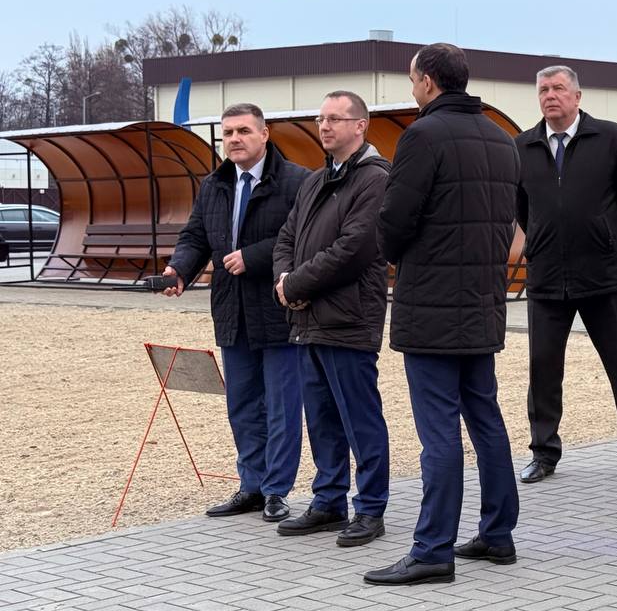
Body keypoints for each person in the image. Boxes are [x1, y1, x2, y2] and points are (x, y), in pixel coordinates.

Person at [365, 43, 521, 586]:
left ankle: (432, 549)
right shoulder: (501, 139)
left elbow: (395, 218)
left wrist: (391, 250)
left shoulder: (423, 135)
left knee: (439, 433)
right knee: (485, 419)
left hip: (431, 307)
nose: (412, 89)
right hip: (482, 302)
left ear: (428, 81)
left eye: (413, 80)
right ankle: (498, 533)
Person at [515, 64, 617, 485]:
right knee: (543, 369)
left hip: (602, 277)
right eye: (543, 89)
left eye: (559, 88)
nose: (550, 95)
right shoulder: (522, 146)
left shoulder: (612, 138)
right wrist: (540, 242)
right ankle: (543, 453)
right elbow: (521, 209)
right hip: (546, 280)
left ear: (577, 96)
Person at [163, 102, 307, 522]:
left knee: (281, 407)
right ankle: (252, 486)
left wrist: (253, 256)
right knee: (242, 405)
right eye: (228, 133)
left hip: (278, 312)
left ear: (264, 134)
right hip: (232, 312)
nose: (234, 139)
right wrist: (179, 269)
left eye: (243, 131)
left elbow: (302, 239)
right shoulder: (214, 185)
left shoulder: (297, 181)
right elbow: (196, 235)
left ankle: (277, 490)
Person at [271, 91, 392, 548]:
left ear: (360, 126)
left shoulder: (374, 179)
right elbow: (286, 236)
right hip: (309, 320)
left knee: (360, 419)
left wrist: (296, 285)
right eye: (321, 119)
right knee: (321, 419)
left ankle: (371, 508)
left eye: (335, 119)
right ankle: (328, 501)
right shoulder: (316, 180)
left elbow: (354, 249)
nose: (324, 126)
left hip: (348, 320)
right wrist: (285, 279)